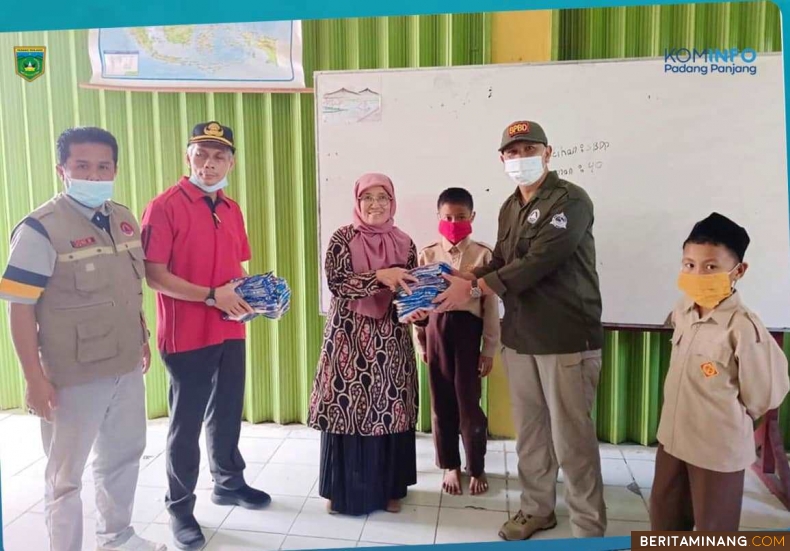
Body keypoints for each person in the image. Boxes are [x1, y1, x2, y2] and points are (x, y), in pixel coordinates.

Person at [434, 120, 607, 540]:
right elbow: (503, 258)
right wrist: (465, 275)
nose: (520, 159)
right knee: (530, 432)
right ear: (502, 159)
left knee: (572, 438)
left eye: (529, 150)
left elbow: (537, 263)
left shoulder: (571, 202)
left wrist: (472, 285)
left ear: (548, 153)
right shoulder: (510, 206)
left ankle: (588, 526)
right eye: (512, 152)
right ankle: (536, 509)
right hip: (522, 337)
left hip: (565, 336)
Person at [0, 127, 166, 551]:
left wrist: (143, 336)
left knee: (123, 456)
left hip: (125, 365)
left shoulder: (124, 218)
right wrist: (34, 379)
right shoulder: (40, 229)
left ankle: (118, 537)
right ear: (63, 170)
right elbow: (19, 308)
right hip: (72, 374)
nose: (94, 175)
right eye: (83, 166)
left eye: (103, 166)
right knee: (65, 476)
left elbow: (128, 288)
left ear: (115, 169)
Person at [141, 121, 270, 551]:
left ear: (231, 162)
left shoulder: (231, 208)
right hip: (186, 334)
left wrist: (255, 296)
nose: (210, 164)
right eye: (202, 154)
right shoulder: (164, 206)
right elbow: (154, 275)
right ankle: (180, 507)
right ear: (188, 157)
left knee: (228, 410)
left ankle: (229, 482)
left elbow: (238, 267)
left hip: (230, 328)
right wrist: (212, 296)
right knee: (186, 424)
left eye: (219, 156)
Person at [650, 212, 790, 531]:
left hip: (716, 452)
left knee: (714, 532)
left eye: (710, 267)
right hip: (672, 439)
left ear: (738, 271)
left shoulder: (743, 327)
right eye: (689, 264)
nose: (697, 274)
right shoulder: (683, 309)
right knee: (664, 520)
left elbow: (763, 396)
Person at [308, 172, 423, 516]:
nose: (375, 204)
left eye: (383, 197)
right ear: (357, 202)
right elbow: (338, 283)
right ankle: (339, 490)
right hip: (348, 338)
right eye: (367, 198)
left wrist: (418, 310)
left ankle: (391, 489)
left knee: (390, 409)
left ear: (392, 202)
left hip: (390, 339)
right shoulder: (343, 237)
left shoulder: (405, 242)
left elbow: (410, 291)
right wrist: (379, 277)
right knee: (347, 408)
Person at [413, 187, 500, 496]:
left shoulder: (484, 254)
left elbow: (490, 306)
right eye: (448, 217)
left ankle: (476, 467)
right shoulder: (426, 255)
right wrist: (422, 343)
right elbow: (418, 303)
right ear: (439, 217)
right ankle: (450, 464)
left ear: (472, 217)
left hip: (468, 333)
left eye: (461, 217)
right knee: (441, 403)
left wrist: (488, 349)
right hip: (436, 332)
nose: (454, 222)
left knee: (469, 404)